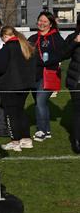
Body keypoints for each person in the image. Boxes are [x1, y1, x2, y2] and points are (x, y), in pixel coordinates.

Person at [28, 11, 66, 141]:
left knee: (40, 102)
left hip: (49, 74)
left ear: (50, 24)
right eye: (40, 21)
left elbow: (63, 54)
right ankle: (47, 129)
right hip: (34, 75)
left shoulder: (55, 38)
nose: (41, 23)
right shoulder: (33, 38)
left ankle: (42, 131)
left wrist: (48, 61)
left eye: (45, 21)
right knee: (41, 103)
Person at [0, 26, 36, 151]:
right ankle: (26, 139)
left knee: (10, 114)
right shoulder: (26, 46)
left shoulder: (7, 48)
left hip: (10, 85)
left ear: (5, 36)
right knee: (20, 111)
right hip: (25, 85)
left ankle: (15, 141)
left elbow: (1, 67)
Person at [62, 18, 80, 154]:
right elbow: (63, 55)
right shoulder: (73, 37)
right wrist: (75, 42)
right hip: (77, 82)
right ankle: (77, 142)